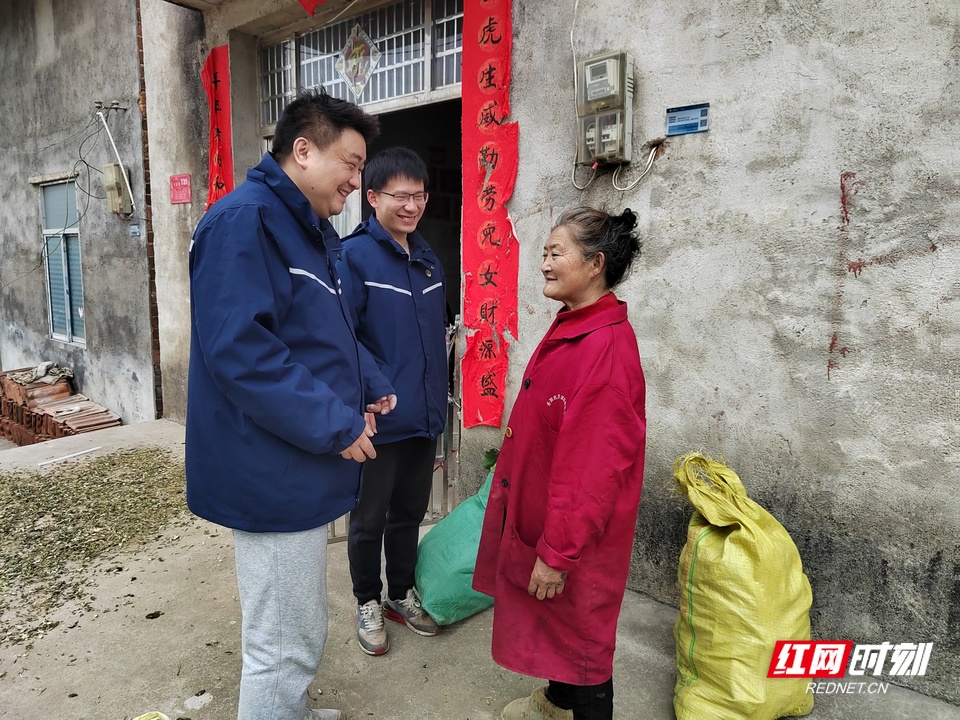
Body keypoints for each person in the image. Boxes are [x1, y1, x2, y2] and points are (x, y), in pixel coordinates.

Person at [185, 88, 396, 720]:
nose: (357, 182)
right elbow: (241, 350)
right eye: (351, 164)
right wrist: (335, 420)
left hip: (299, 462)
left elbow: (325, 330)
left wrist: (369, 379)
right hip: (269, 469)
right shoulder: (244, 221)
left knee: (297, 630)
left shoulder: (312, 232)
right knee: (282, 645)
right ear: (302, 151)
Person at [473, 207, 647, 720]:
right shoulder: (575, 326)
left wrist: (557, 553)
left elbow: (592, 471)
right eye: (545, 253)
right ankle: (555, 703)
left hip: (575, 532)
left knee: (585, 642)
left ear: (594, 265)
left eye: (556, 253)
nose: (544, 263)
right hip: (549, 516)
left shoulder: (606, 350)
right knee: (559, 624)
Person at [339, 147, 447, 655]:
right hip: (379, 420)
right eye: (399, 196)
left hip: (424, 417)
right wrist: (374, 386)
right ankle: (367, 600)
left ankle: (400, 594)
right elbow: (343, 337)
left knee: (410, 513)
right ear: (373, 196)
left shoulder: (427, 259)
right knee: (368, 519)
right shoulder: (354, 257)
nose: (411, 206)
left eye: (419, 196)